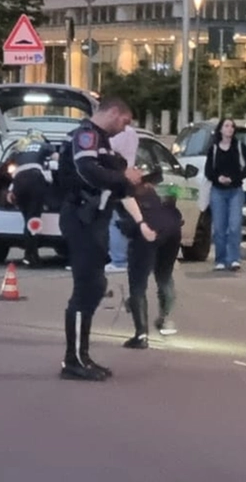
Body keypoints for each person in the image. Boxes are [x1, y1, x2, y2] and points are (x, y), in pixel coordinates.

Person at [55, 96, 144, 382]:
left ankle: (81, 355)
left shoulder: (101, 140)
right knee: (87, 288)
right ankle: (74, 359)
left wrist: (130, 182)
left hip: (94, 220)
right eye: (125, 121)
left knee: (94, 287)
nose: (125, 128)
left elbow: (108, 178)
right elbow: (88, 171)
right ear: (114, 113)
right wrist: (122, 178)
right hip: (82, 218)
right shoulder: (87, 135)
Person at [120, 171, 184, 348]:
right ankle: (164, 319)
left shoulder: (123, 188)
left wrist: (140, 225)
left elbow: (126, 204)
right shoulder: (153, 189)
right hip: (172, 230)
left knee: (138, 285)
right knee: (164, 277)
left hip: (147, 232)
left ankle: (141, 335)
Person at [202, 118, 246, 271]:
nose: (230, 129)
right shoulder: (214, 149)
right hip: (217, 192)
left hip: (235, 191)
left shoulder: (239, 147)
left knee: (234, 225)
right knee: (219, 227)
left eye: (232, 126)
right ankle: (220, 259)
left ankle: (233, 258)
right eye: (226, 126)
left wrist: (234, 178)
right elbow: (208, 171)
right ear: (220, 129)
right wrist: (218, 178)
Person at [5, 130, 55, 268]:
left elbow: (10, 168)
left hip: (19, 183)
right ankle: (31, 256)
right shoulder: (44, 146)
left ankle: (29, 254)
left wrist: (10, 190)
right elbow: (58, 159)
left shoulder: (19, 148)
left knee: (27, 218)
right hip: (34, 179)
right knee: (33, 219)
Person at [105, 124, 142, 274]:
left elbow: (107, 150)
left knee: (115, 221)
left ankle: (118, 260)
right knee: (126, 219)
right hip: (129, 177)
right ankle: (126, 258)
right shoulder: (133, 133)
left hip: (117, 177)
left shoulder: (114, 134)